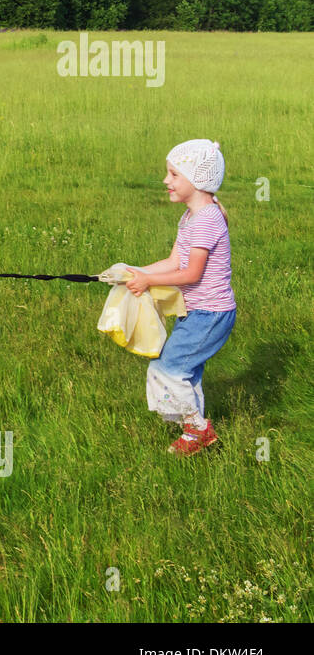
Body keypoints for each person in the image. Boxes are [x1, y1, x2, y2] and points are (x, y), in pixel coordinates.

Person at [125, 139, 235, 455]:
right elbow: (174, 263)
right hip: (196, 312)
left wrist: (147, 281)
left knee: (168, 369)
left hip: (211, 315)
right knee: (186, 372)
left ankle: (198, 429)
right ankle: (195, 433)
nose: (165, 181)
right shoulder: (189, 217)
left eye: (173, 174)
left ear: (197, 180)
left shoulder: (206, 220)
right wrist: (134, 272)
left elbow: (191, 274)